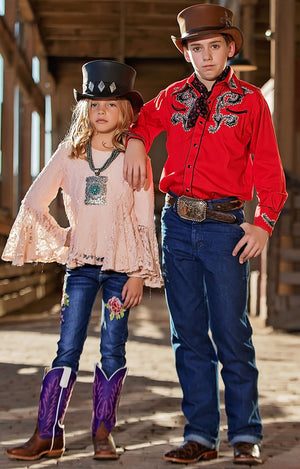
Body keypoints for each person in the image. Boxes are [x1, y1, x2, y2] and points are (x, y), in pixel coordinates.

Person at [123, 3, 287, 466]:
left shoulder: (252, 101)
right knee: (188, 334)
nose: (207, 55)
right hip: (176, 225)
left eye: (215, 46)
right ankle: (199, 434)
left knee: (232, 334)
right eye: (197, 48)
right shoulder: (172, 97)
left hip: (224, 229)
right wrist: (137, 140)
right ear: (186, 52)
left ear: (230, 48)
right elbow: (142, 121)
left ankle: (245, 435)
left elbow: (269, 169)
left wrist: (264, 223)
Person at [2, 59, 162, 461]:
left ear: (125, 111)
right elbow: (34, 201)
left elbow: (144, 219)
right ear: (84, 110)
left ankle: (102, 434)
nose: (100, 111)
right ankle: (47, 434)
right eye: (92, 104)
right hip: (80, 268)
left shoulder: (134, 157)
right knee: (66, 347)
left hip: (121, 270)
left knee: (113, 348)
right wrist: (65, 238)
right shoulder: (68, 155)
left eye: (109, 104)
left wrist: (140, 274)